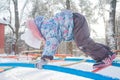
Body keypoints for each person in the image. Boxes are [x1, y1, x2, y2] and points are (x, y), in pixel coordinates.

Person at [21, 10, 116, 69]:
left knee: (82, 43)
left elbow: (52, 42)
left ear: (35, 35)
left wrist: (44, 58)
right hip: (75, 20)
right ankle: (107, 53)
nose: (42, 41)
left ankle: (104, 57)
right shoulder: (45, 25)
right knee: (84, 42)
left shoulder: (45, 29)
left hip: (75, 21)